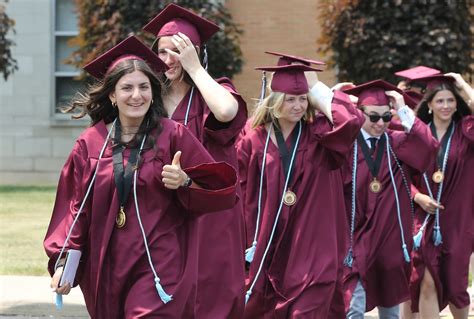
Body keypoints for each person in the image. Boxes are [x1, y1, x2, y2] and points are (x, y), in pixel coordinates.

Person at [44, 35, 239, 318]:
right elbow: (76, 208)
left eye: (144, 87)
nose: (137, 95)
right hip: (109, 261)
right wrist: (64, 258)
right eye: (127, 88)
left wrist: (185, 181)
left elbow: (221, 190)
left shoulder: (173, 135)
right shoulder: (91, 143)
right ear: (112, 95)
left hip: (161, 262)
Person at [238, 52, 364, 318]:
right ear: (274, 101)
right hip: (270, 246)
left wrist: (317, 87)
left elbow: (350, 121)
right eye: (290, 99)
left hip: (315, 248)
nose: (297, 106)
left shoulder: (318, 136)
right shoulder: (253, 139)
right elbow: (242, 192)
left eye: (302, 99)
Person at [142, 4, 248, 318]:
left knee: (211, 294)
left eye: (178, 50)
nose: (168, 59)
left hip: (210, 216)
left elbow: (227, 112)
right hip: (162, 211)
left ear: (196, 53)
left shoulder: (211, 93)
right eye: (162, 51)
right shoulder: (149, 100)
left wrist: (196, 69)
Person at [341, 79, 438, 318]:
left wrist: (403, 109)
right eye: (373, 117)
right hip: (355, 236)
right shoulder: (345, 145)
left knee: (390, 308)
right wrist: (338, 99)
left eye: (386, 117)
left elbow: (428, 147)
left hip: (389, 237)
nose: (380, 123)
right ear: (359, 114)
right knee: (353, 306)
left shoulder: (397, 142)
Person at [404, 74, 474, 319]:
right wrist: (417, 198)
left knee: (456, 285)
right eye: (440, 101)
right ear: (430, 104)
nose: (446, 106)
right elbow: (403, 175)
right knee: (425, 279)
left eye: (451, 100)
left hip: (458, 220)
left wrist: (464, 86)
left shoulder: (467, 132)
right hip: (423, 219)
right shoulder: (417, 133)